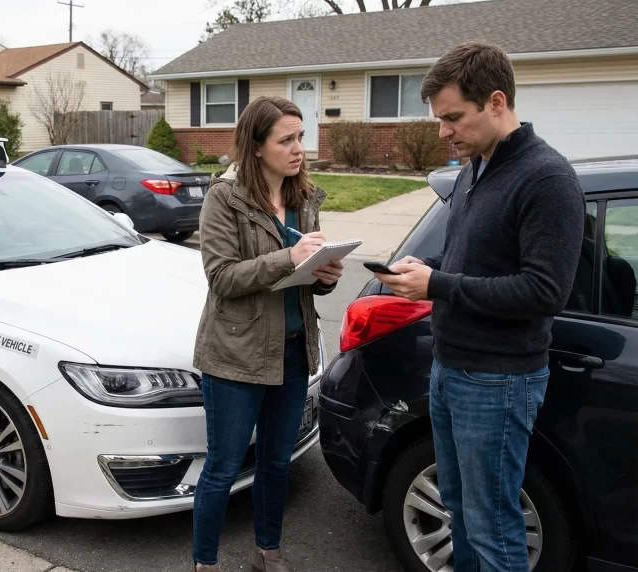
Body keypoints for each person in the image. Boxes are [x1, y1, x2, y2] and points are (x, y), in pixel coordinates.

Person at [373, 41, 585, 572]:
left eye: (453, 118)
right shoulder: (476, 167)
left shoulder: (547, 178)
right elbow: (473, 255)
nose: (444, 131)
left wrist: (438, 284)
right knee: (461, 511)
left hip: (498, 381)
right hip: (450, 368)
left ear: (496, 101)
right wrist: (427, 266)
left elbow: (543, 292)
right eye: (440, 119)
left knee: (493, 528)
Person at [191, 95, 343, 572]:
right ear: (257, 147)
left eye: (301, 137)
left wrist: (326, 275)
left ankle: (268, 553)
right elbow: (222, 277)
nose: (299, 148)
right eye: (286, 140)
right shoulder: (225, 198)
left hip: (294, 353)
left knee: (277, 464)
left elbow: (305, 280)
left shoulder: (303, 199)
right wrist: (289, 258)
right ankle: (205, 563)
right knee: (223, 468)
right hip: (236, 356)